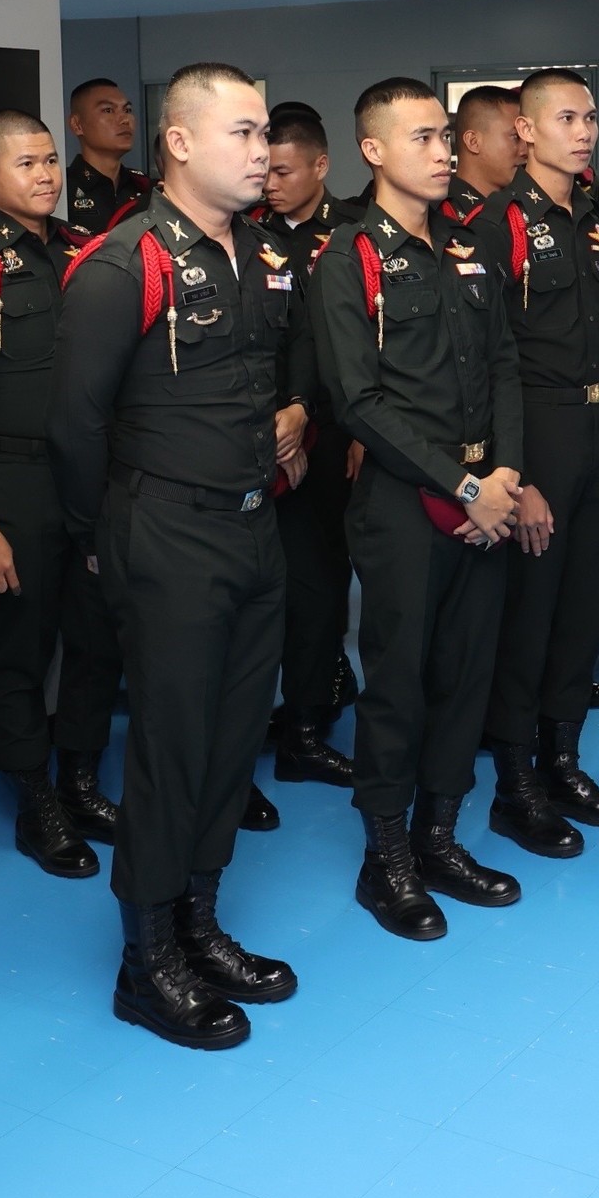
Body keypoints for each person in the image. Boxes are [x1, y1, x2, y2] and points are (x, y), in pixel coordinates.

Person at [52, 63, 309, 1051]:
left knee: (233, 738)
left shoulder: (258, 253)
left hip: (252, 525)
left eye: (265, 133)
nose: (262, 151)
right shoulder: (125, 264)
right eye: (242, 132)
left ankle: (200, 922)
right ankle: (147, 958)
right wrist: (102, 543)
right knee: (169, 748)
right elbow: (75, 426)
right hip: (165, 532)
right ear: (181, 143)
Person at [312, 77, 526, 941]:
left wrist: (503, 472)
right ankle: (387, 858)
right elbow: (356, 401)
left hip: (485, 496)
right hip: (405, 502)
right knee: (397, 685)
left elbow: (504, 363)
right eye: (423, 139)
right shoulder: (348, 257)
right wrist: (463, 485)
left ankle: (439, 838)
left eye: (445, 136)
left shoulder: (467, 245)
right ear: (373, 151)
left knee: (465, 676)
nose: (442, 153)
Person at [0, 111, 125, 878]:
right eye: (25, 164)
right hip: (13, 485)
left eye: (48, 161)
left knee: (97, 639)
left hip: (90, 480)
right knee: (21, 649)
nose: (44, 176)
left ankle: (81, 783)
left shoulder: (81, 250)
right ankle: (36, 802)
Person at [471, 69, 599, 858]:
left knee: (585, 611)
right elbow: (487, 361)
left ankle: (563, 764)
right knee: (529, 619)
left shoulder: (595, 222)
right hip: (537, 431)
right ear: (526, 130)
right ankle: (515, 789)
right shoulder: (495, 223)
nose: (584, 132)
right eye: (566, 118)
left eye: (590, 118)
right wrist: (518, 474)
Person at [257, 103, 360, 781]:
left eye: (283, 172)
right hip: (272, 439)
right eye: (264, 171)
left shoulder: (353, 232)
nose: (270, 183)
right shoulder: (248, 235)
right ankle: (299, 715)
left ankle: (321, 692)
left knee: (331, 576)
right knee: (295, 586)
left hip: (339, 433)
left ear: (320, 167)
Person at [66, 76, 153, 234]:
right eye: (108, 110)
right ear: (77, 125)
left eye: (127, 110)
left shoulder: (145, 187)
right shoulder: (62, 189)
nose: (125, 120)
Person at [446, 83, 525, 219]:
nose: (526, 150)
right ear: (473, 142)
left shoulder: (524, 207)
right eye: (515, 137)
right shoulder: (440, 213)